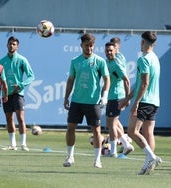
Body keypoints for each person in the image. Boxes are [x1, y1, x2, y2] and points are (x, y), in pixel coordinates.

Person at [63, 33, 110, 168]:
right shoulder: (75, 61)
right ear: (81, 45)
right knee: (70, 128)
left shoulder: (100, 61)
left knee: (96, 131)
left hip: (93, 102)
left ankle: (97, 159)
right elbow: (71, 80)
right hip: (77, 101)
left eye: (91, 46)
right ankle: (70, 156)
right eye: (86, 45)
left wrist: (105, 95)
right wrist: (66, 97)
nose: (89, 48)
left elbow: (107, 79)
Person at [119, 31, 161, 175]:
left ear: (143, 42)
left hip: (144, 101)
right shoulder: (155, 58)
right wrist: (127, 98)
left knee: (132, 131)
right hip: (154, 102)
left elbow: (144, 83)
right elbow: (139, 84)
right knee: (148, 132)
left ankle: (151, 157)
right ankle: (149, 163)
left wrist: (135, 102)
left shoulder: (143, 59)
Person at [0, 36, 35, 151]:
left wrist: (21, 85)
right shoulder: (2, 61)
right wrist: (1, 93)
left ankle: (23, 144)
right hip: (6, 93)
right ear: (7, 45)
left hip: (18, 93)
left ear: (17, 46)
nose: (11, 46)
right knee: (9, 118)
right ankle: (12, 144)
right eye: (10, 44)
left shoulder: (22, 60)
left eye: (14, 44)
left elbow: (31, 76)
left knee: (20, 118)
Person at [104, 42, 134, 157]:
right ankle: (126, 144)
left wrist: (127, 98)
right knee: (112, 122)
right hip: (111, 96)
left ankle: (113, 151)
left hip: (116, 96)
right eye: (107, 51)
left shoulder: (116, 64)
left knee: (111, 123)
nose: (109, 53)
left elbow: (126, 80)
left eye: (111, 50)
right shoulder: (107, 62)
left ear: (116, 51)